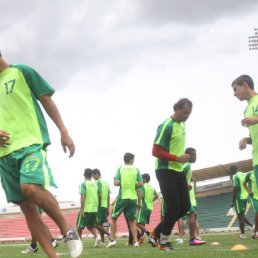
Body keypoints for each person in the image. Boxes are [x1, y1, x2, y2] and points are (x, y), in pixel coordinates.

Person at [0, 51, 82, 258]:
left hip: (31, 144)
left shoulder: (22, 72)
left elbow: (46, 101)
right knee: (28, 208)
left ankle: (67, 230)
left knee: (30, 188)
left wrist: (64, 131)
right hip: (4, 155)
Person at [149, 98, 192, 251]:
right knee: (173, 206)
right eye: (185, 113)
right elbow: (155, 151)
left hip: (178, 169)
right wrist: (177, 158)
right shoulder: (166, 125)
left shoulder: (182, 124)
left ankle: (156, 232)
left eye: (189, 114)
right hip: (165, 170)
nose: (187, 116)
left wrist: (183, 158)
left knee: (185, 206)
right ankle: (164, 240)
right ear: (177, 109)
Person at [106, 152, 143, 248]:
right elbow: (141, 183)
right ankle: (135, 241)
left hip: (123, 197)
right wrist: (134, 186)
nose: (133, 161)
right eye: (133, 159)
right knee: (132, 221)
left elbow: (115, 182)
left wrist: (123, 183)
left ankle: (113, 240)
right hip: (133, 198)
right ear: (130, 159)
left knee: (113, 218)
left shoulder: (120, 168)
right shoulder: (136, 169)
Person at [232, 75, 258, 187]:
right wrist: (245, 140)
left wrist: (256, 119)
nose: (234, 94)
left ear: (245, 84)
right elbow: (253, 139)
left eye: (235, 89)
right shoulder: (246, 111)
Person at [176, 148, 206, 245]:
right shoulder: (187, 165)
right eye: (194, 155)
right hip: (183, 195)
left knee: (191, 214)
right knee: (192, 214)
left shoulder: (186, 165)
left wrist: (189, 179)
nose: (196, 157)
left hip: (182, 194)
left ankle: (192, 238)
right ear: (188, 155)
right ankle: (192, 239)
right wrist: (186, 185)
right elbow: (178, 176)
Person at [76, 168, 100, 247]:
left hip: (86, 208)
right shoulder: (95, 184)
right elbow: (99, 195)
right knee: (91, 226)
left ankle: (79, 244)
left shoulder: (83, 184)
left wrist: (82, 209)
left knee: (79, 227)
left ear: (84, 175)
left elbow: (83, 196)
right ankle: (97, 236)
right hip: (94, 209)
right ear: (91, 175)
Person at [230, 164, 253, 239]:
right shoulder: (244, 174)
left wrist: (233, 201)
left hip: (239, 197)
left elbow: (236, 188)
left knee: (240, 216)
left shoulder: (235, 176)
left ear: (232, 170)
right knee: (241, 215)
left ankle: (242, 235)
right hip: (245, 197)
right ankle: (253, 226)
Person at [136, 173, 158, 245]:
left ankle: (149, 234)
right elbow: (157, 195)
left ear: (144, 179)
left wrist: (137, 193)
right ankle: (141, 239)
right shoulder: (151, 187)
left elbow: (142, 195)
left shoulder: (143, 186)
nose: (140, 180)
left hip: (143, 206)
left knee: (137, 223)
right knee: (142, 223)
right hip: (150, 207)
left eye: (141, 178)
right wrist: (151, 201)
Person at [92, 168, 112, 245]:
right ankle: (103, 241)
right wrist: (107, 207)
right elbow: (108, 196)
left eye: (93, 176)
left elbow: (99, 194)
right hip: (104, 205)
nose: (93, 177)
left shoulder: (97, 182)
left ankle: (110, 234)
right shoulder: (106, 183)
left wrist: (95, 204)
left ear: (96, 174)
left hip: (99, 205)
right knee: (100, 224)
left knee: (95, 224)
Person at [243, 170, 258, 239]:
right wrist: (248, 191)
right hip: (254, 197)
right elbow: (244, 183)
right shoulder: (250, 174)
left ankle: (255, 233)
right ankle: (255, 232)